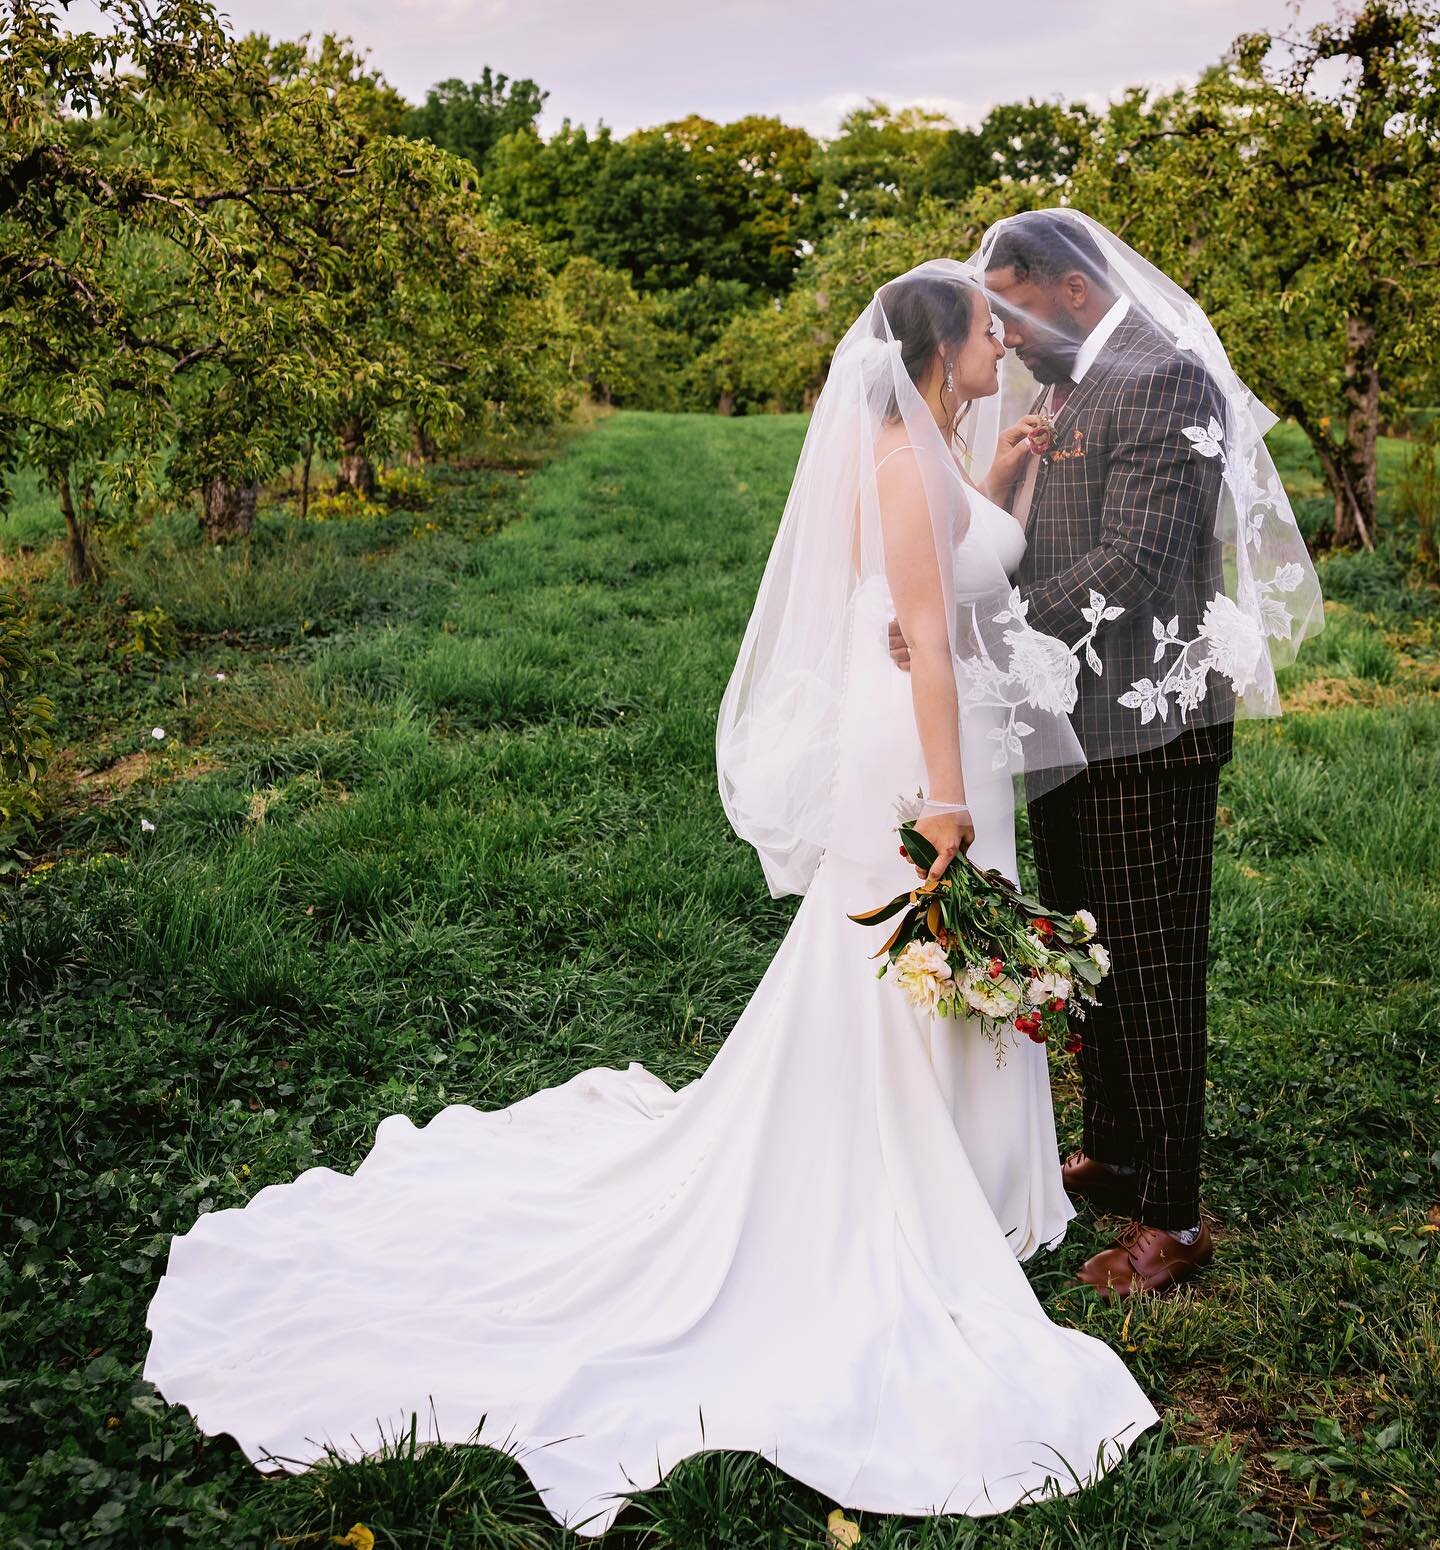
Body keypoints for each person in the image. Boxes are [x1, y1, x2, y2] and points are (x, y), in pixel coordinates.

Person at [142, 261, 1159, 1538]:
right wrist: (948, 802)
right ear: (934, 346)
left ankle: (979, 1174)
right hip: (916, 746)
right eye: (982, 328)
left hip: (946, 739)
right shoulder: (901, 463)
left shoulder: (939, 449)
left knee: (931, 963)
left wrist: (1005, 469)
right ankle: (908, 1173)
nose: (999, 341)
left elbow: (968, 563)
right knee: (895, 961)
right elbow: (926, 631)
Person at [890, 210, 1322, 1296]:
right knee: (1093, 954)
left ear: (1067, 287)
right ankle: (1119, 1152)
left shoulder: (1164, 374)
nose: (1006, 333)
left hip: (1148, 732)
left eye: (1012, 307)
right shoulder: (1066, 376)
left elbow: (1136, 560)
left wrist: (977, 622)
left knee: (1159, 967)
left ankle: (1172, 1217)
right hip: (1062, 722)